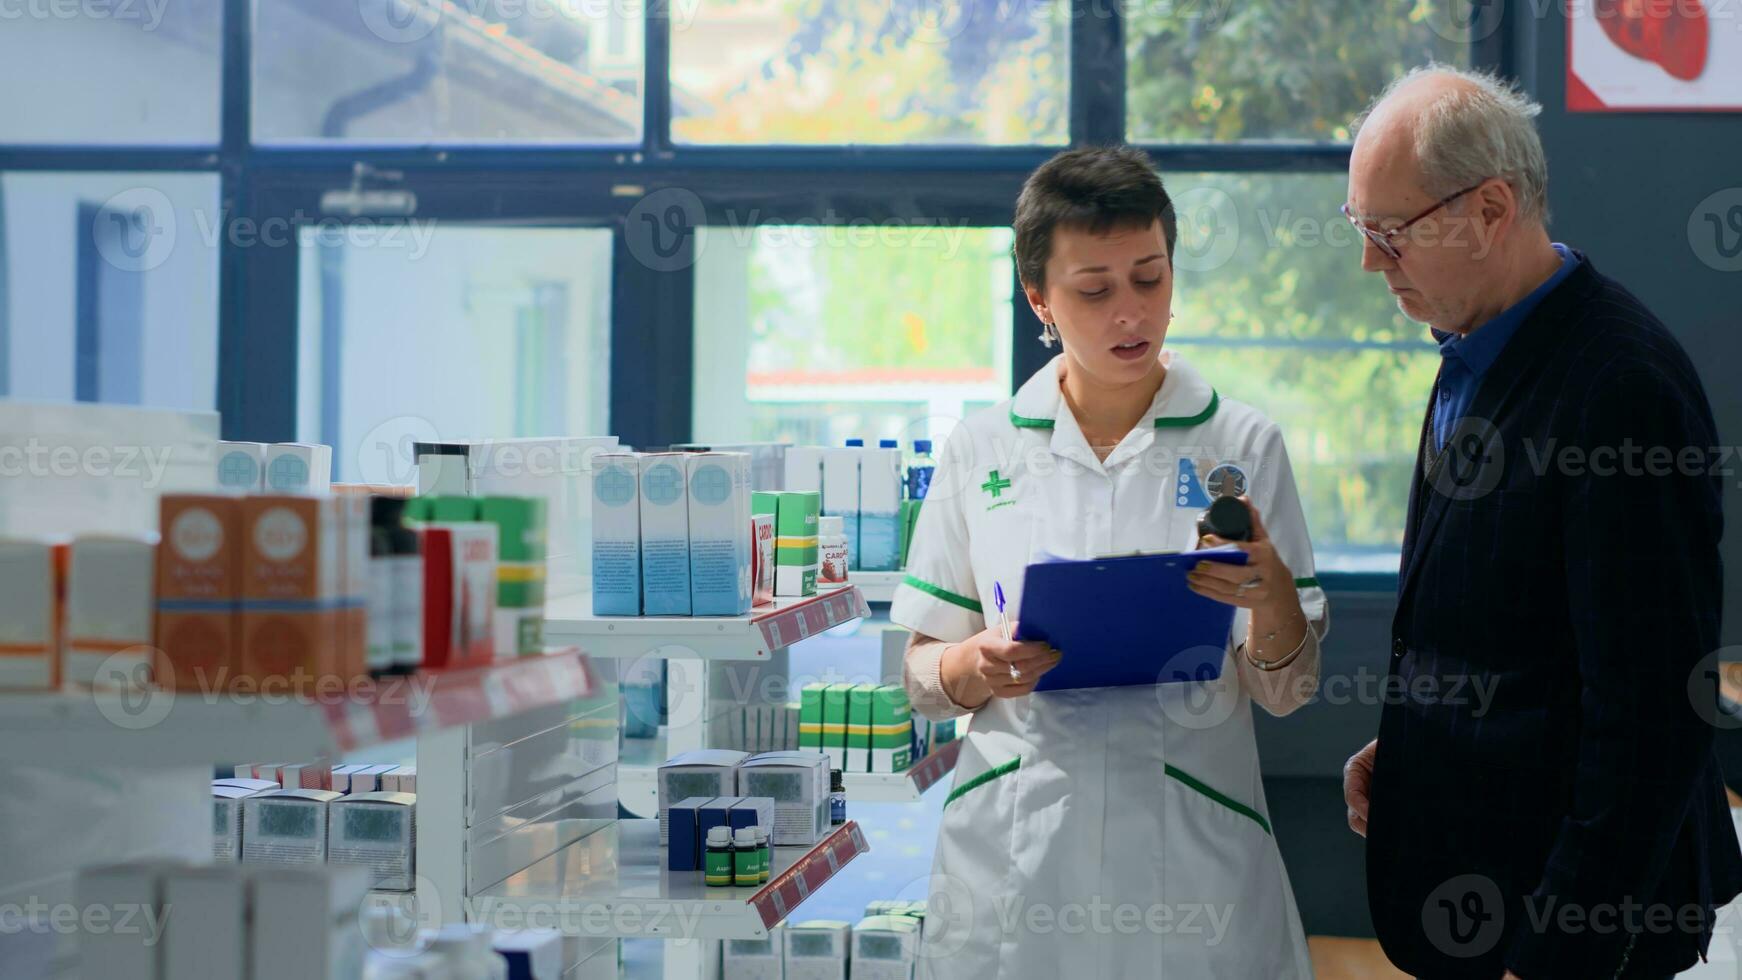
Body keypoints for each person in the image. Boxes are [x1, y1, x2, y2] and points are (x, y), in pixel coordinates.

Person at [1339, 65, 1742, 979]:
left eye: (1389, 233)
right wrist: (1416, 740)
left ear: (1490, 210)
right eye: (1360, 228)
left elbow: (1650, 718)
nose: (1370, 261)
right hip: (1469, 890)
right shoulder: (1470, 341)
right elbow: (1508, 629)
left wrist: (1554, 957)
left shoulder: (1620, 388)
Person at [891, 145, 1329, 979]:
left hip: (1194, 859)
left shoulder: (1240, 445)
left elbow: (1288, 689)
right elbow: (916, 675)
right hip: (1018, 860)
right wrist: (975, 664)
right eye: (1094, 290)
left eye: (1150, 278)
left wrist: (1272, 597)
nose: (1131, 312)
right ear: (1039, 299)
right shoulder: (981, 448)